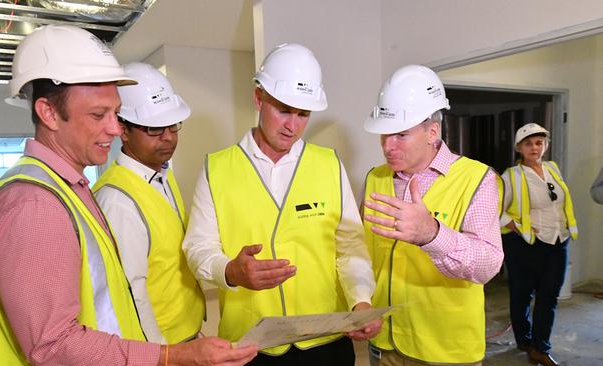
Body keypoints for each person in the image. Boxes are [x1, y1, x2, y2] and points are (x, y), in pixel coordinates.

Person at [0, 25, 256, 366]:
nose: (113, 128)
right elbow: (53, 346)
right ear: (48, 113)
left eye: (115, 112)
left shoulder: (69, 190)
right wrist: (169, 355)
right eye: (98, 115)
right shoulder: (33, 205)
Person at [182, 43, 381, 365]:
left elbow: (350, 247)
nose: (293, 126)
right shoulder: (216, 168)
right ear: (258, 98)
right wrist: (230, 270)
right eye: (284, 110)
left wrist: (360, 300)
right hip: (252, 344)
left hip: (325, 339)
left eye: (303, 114)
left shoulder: (328, 164)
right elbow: (198, 246)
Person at [361, 65, 503, 366]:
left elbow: (488, 265)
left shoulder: (477, 179)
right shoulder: (375, 178)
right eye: (384, 133)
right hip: (384, 340)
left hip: (445, 350)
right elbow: (366, 253)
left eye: (401, 134)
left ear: (432, 131)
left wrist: (433, 234)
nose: (388, 146)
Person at [93, 62, 206, 345]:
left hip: (184, 333)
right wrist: (161, 356)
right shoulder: (117, 199)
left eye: (172, 126)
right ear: (123, 129)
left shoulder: (162, 174)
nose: (168, 137)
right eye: (154, 129)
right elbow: (133, 291)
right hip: (161, 344)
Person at [500, 123, 578, 366]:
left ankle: (541, 348)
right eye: (528, 143)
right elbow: (494, 210)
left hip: (558, 240)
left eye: (539, 142)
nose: (534, 147)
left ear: (545, 145)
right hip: (526, 244)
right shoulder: (511, 176)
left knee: (549, 296)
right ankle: (524, 340)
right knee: (522, 295)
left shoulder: (553, 169)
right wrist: (516, 226)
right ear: (519, 148)